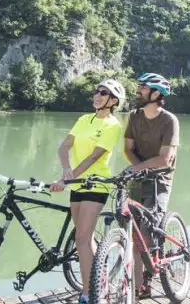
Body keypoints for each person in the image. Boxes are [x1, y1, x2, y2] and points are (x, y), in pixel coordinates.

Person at [50, 79, 126, 304]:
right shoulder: (84, 119)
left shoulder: (112, 125)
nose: (97, 95)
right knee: (86, 238)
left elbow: (95, 156)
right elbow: (64, 146)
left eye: (103, 93)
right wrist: (66, 172)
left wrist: (69, 178)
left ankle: (89, 294)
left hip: (96, 184)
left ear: (113, 101)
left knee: (82, 239)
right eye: (96, 91)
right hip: (76, 184)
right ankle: (97, 282)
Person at [122, 72, 179, 299]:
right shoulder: (134, 117)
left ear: (157, 93)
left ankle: (146, 279)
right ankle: (137, 287)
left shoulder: (169, 121)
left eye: (143, 88)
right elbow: (127, 149)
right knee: (134, 232)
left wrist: (138, 169)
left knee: (146, 232)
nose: (139, 92)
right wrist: (138, 169)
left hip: (160, 180)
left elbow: (165, 158)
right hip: (138, 177)